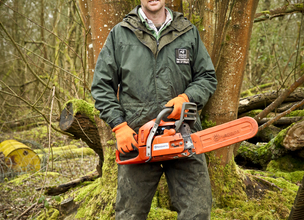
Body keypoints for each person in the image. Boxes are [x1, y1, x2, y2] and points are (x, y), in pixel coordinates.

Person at [91, 0, 217, 219]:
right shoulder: (121, 34)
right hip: (137, 136)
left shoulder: (187, 31)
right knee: (129, 213)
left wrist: (188, 98)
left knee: (197, 210)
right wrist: (119, 126)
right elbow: (102, 86)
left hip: (183, 132)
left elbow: (206, 76)